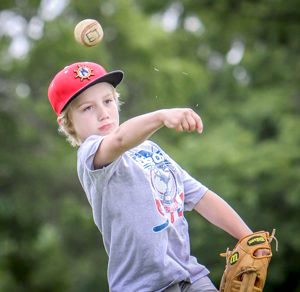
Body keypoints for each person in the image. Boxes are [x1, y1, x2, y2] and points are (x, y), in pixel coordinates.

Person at [48, 61, 268, 292]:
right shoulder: (91, 156)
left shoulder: (149, 150)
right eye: (87, 108)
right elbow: (120, 139)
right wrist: (161, 116)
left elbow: (201, 197)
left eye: (107, 101)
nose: (103, 113)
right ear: (67, 123)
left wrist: (249, 238)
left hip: (190, 276)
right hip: (143, 286)